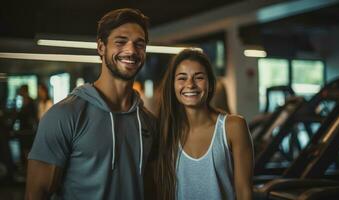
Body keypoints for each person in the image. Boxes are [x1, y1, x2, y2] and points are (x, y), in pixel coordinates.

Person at [25, 8, 157, 200]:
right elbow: (35, 194)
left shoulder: (149, 122)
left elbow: (151, 188)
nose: (131, 50)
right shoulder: (63, 115)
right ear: (101, 47)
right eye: (120, 42)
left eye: (140, 44)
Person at [156, 49, 254, 200]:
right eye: (182, 78)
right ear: (173, 85)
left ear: (210, 82)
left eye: (199, 77)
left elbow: (244, 192)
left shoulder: (233, 127)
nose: (190, 84)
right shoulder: (166, 130)